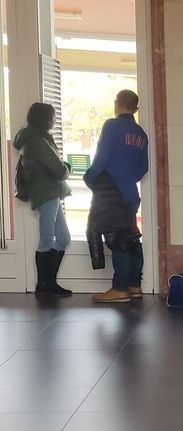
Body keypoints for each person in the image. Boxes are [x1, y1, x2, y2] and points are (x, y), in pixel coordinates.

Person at [85, 89, 149, 304]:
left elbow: (101, 158)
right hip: (131, 194)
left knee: (118, 240)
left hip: (112, 195)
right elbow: (143, 168)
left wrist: (90, 178)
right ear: (136, 108)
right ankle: (134, 285)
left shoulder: (112, 126)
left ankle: (119, 288)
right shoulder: (140, 133)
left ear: (116, 103)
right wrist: (128, 178)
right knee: (130, 239)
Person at [14, 103, 72, 298]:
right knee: (46, 239)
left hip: (49, 192)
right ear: (45, 118)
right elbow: (59, 169)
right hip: (46, 191)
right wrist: (67, 167)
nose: (55, 120)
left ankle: (49, 283)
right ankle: (44, 285)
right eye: (53, 116)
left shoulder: (34, 138)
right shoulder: (38, 140)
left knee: (62, 238)